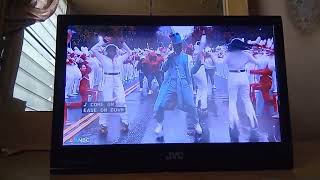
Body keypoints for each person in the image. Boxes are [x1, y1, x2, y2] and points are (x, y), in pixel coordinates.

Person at [153, 32, 202, 138]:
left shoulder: (187, 57)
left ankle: (196, 123)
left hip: (183, 84)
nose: (177, 47)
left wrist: (199, 63)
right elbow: (163, 69)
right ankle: (159, 123)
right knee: (161, 103)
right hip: (170, 84)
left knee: (191, 105)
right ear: (173, 46)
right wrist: (167, 59)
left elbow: (191, 71)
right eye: (175, 45)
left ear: (181, 45)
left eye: (179, 45)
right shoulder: (170, 57)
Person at [213, 38, 260, 142]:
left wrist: (212, 55)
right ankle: (253, 121)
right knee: (246, 100)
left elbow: (219, 62)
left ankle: (233, 123)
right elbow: (258, 62)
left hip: (233, 76)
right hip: (243, 76)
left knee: (232, 101)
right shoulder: (246, 54)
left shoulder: (229, 55)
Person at [91, 36, 132, 134]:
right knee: (107, 102)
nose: (112, 52)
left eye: (113, 50)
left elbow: (129, 52)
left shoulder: (120, 58)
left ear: (116, 51)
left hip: (117, 80)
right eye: (110, 50)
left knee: (121, 101)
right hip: (107, 80)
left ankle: (125, 122)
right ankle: (103, 124)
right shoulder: (102, 58)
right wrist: (103, 42)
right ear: (107, 51)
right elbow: (93, 49)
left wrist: (123, 43)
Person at [191, 32, 208, 116]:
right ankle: (204, 107)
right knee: (205, 88)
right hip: (200, 69)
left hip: (194, 71)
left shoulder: (194, 52)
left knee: (200, 88)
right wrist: (204, 35)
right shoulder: (199, 51)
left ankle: (197, 104)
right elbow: (203, 43)